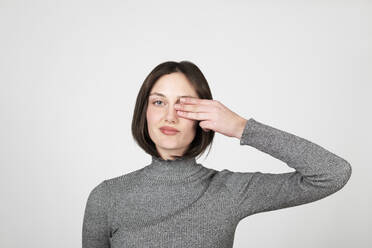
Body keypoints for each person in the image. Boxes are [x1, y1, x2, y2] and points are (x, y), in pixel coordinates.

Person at [82, 60, 352, 248]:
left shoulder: (229, 191)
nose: (170, 115)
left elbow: (332, 173)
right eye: (159, 102)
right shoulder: (107, 197)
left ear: (204, 117)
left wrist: (241, 127)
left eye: (184, 105)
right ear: (144, 112)